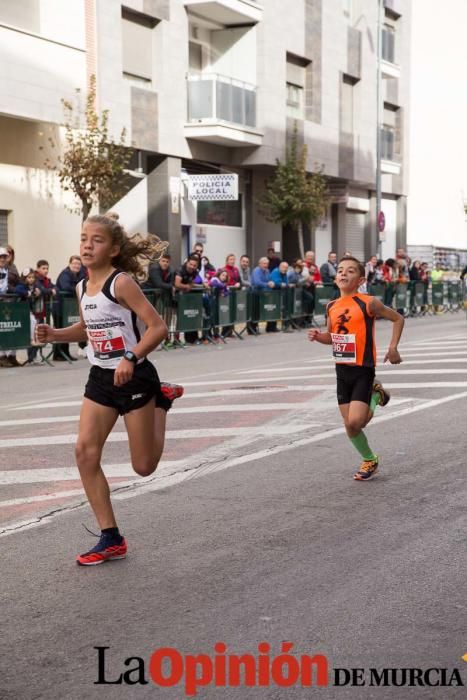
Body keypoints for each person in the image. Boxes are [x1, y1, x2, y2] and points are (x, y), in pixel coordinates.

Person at [36, 214, 184, 565]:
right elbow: (88, 329)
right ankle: (111, 537)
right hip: (101, 378)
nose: (87, 245)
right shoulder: (79, 287)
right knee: (85, 453)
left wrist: (131, 357)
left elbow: (157, 327)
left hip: (134, 378)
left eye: (97, 240)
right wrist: (55, 334)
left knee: (144, 466)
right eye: (84, 238)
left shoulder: (121, 284)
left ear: (114, 249)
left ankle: (161, 401)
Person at [308, 256, 404, 481]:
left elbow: (398, 319)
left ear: (360, 280)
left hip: (363, 368)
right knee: (349, 425)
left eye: (350, 271)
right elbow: (332, 337)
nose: (343, 273)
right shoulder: (331, 306)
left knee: (355, 422)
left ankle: (374, 395)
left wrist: (393, 348)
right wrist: (318, 336)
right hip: (341, 370)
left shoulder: (369, 302)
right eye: (340, 270)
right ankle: (370, 459)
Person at [54, 255, 87, 361]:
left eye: (78, 264)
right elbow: (65, 287)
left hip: (68, 309)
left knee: (66, 330)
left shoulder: (80, 274)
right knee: (60, 330)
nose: (76, 266)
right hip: (59, 308)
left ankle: (65, 353)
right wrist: (79, 288)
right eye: (74, 263)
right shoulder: (65, 274)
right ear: (69, 264)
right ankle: (58, 354)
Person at [14, 267, 42, 364]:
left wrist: (39, 292)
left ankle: (33, 341)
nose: (31, 279)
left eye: (33, 277)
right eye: (29, 277)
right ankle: (31, 339)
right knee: (32, 321)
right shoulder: (22, 285)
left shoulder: (34, 286)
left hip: (28, 310)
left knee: (34, 322)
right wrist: (27, 293)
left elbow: (40, 289)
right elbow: (17, 290)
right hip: (20, 311)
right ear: (24, 278)